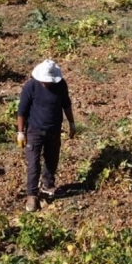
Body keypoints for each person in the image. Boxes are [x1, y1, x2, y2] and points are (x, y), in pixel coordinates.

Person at [17, 59, 76, 212]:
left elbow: (66, 105)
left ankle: (48, 185)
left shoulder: (61, 85)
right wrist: (20, 133)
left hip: (54, 130)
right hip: (34, 131)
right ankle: (32, 194)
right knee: (33, 163)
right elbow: (22, 111)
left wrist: (71, 123)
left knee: (52, 159)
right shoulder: (30, 86)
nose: (46, 83)